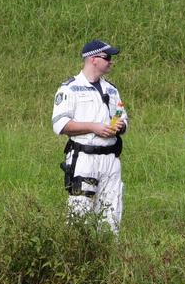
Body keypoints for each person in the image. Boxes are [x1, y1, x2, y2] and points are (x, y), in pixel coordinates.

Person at [52, 39, 128, 234]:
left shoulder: (112, 89)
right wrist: (93, 127)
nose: (111, 62)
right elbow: (60, 125)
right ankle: (77, 258)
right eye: (108, 57)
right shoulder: (70, 88)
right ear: (93, 59)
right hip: (84, 158)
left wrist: (119, 126)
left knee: (112, 216)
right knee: (80, 213)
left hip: (111, 158)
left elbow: (123, 117)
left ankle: (108, 257)